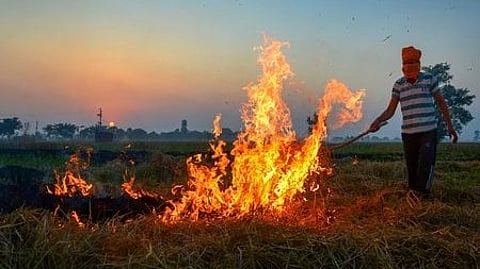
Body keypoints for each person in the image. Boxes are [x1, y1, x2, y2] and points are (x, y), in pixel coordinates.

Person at [369, 45, 458, 198]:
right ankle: (413, 195)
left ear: (418, 67)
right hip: (408, 134)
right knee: (412, 167)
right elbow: (390, 110)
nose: (410, 73)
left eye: (413, 69)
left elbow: (441, 102)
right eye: (406, 69)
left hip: (428, 132)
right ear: (403, 68)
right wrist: (377, 121)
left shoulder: (429, 79)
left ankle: (423, 196)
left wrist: (450, 126)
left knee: (425, 163)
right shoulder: (399, 85)